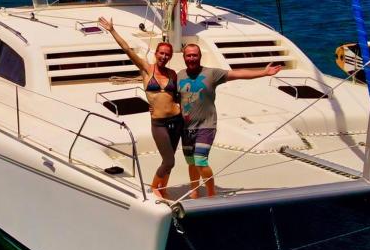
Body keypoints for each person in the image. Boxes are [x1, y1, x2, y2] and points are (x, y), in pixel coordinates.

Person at [178, 43, 282, 198]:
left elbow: (238, 73)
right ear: (184, 57)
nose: (192, 58)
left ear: (200, 56)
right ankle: (194, 190)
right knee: (191, 162)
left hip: (206, 125)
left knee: (200, 160)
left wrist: (264, 72)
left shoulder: (211, 73)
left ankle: (211, 192)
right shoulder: (179, 75)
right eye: (189, 55)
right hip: (186, 127)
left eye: (195, 55)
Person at [98, 17, 182, 199]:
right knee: (169, 160)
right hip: (159, 122)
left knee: (169, 162)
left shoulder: (172, 74)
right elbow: (127, 49)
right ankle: (154, 190)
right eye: (161, 53)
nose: (164, 57)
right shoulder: (146, 68)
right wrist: (112, 30)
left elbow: (175, 96)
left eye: (167, 54)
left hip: (176, 120)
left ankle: (163, 188)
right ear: (156, 54)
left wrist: (180, 107)